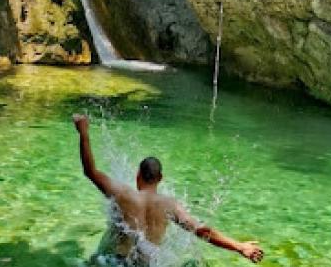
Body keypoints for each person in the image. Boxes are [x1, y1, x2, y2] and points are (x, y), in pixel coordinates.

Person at [72, 114, 264, 266]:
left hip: (117, 262)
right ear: (160, 178)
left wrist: (84, 132)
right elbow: (202, 230)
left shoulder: (123, 194)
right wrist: (239, 246)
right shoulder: (170, 205)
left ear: (138, 175)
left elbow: (90, 171)